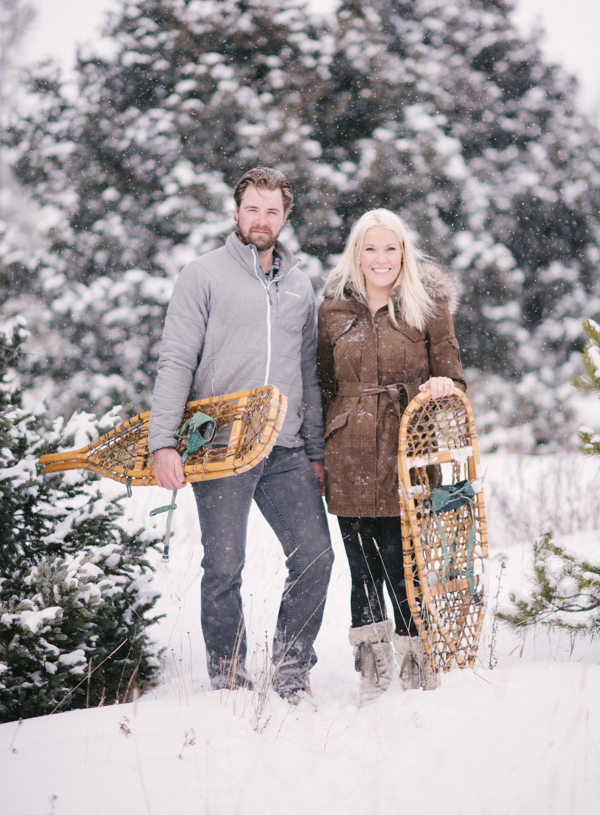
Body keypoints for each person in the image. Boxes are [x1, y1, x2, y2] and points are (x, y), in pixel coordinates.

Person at [148, 167, 333, 704]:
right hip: (222, 448)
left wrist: (316, 450)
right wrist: (164, 442)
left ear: (285, 216)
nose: (262, 220)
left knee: (315, 557)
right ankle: (228, 680)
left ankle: (291, 668)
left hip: (287, 449)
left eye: (272, 211)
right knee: (225, 566)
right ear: (236, 212)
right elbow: (177, 359)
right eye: (253, 209)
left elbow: (308, 373)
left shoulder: (300, 284)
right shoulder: (202, 275)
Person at [317, 209, 466, 706]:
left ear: (404, 252)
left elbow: (454, 378)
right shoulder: (333, 310)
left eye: (390, 248)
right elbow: (322, 385)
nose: (381, 259)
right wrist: (318, 453)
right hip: (350, 450)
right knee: (362, 565)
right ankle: (372, 662)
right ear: (355, 254)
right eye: (370, 249)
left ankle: (414, 654)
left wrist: (442, 385)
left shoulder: (428, 305)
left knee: (408, 561)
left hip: (409, 450)